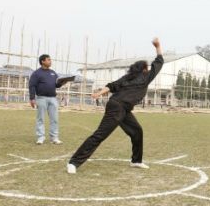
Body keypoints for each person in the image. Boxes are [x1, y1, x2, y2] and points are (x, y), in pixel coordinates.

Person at [67, 38, 163, 174]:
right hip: (117, 107)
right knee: (100, 135)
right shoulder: (143, 77)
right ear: (144, 69)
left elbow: (111, 86)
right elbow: (158, 62)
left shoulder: (127, 78)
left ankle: (136, 161)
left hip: (124, 109)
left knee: (137, 131)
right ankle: (73, 162)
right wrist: (158, 46)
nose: (148, 70)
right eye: (146, 68)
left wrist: (100, 93)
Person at [29, 54, 71, 144]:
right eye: (48, 60)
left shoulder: (53, 72)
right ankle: (40, 137)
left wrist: (63, 82)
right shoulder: (36, 73)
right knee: (40, 119)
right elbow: (32, 86)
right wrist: (32, 98)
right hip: (41, 98)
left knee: (54, 119)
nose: (50, 61)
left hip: (53, 99)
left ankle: (54, 138)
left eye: (50, 60)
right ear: (42, 61)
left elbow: (57, 85)